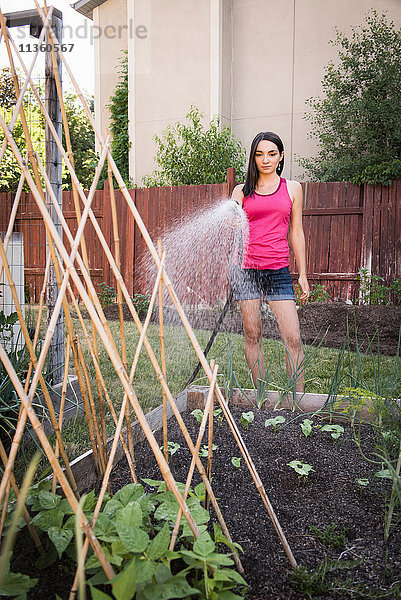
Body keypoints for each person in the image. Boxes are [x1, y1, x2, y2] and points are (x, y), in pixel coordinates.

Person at [231, 131, 310, 392]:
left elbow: (296, 231)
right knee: (253, 334)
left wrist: (302, 274)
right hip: (247, 271)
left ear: (281, 156)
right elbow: (231, 230)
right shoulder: (241, 192)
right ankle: (261, 398)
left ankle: (299, 402)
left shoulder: (293, 188)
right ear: (253, 158)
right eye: (259, 154)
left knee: (293, 338)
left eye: (272, 154)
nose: (265, 159)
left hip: (278, 270)